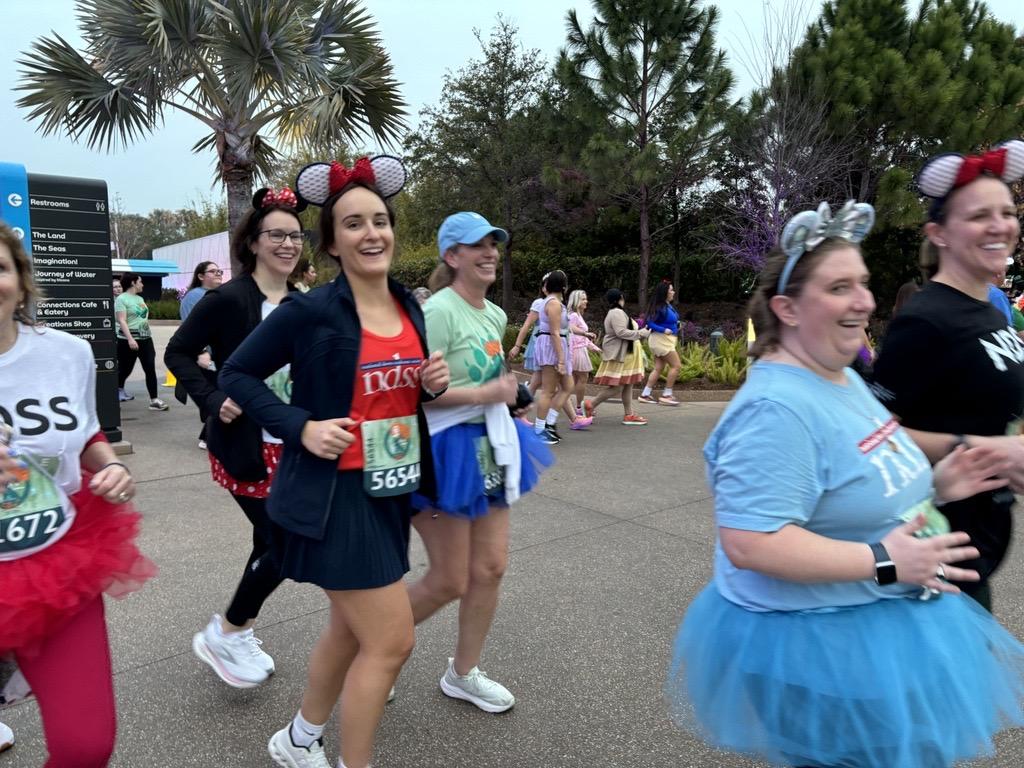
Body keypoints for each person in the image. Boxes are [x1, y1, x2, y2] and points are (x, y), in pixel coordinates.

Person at [666, 200, 1024, 768]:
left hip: (884, 632)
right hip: (820, 650)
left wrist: (938, 485)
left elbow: (861, 475)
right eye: (839, 288)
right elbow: (752, 541)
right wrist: (886, 560)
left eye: (863, 283)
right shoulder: (775, 410)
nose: (864, 301)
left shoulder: (840, 374)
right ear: (786, 307)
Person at [220, 156, 450, 768]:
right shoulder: (311, 309)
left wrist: (427, 385)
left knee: (350, 631)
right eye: (353, 224)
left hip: (391, 487)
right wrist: (300, 427)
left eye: (380, 220)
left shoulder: (410, 306)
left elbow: (395, 391)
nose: (371, 233)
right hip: (334, 498)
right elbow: (237, 373)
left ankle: (297, 740)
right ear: (331, 243)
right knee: (392, 641)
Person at [0, 222, 155, 767]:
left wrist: (110, 466)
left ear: (20, 281)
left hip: (55, 562)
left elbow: (85, 432)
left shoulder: (65, 353)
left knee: (86, 746)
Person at [407, 210, 552, 716]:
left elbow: (497, 371)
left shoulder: (492, 312)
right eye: (478, 245)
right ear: (452, 257)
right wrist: (487, 392)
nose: (490, 252)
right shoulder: (438, 312)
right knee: (449, 579)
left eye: (494, 243)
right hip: (446, 450)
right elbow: (419, 395)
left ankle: (462, 674)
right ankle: (371, 649)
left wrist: (514, 396)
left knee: (491, 567)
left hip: (491, 441)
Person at [870, 141, 1024, 612]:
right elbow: (869, 434)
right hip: (932, 562)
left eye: (1006, 210)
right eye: (979, 216)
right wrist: (977, 447)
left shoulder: (990, 311)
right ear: (938, 233)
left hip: (980, 549)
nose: (1000, 225)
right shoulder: (926, 319)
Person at [165, 186, 305, 689]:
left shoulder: (300, 302)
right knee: (286, 543)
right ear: (252, 242)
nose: (287, 244)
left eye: (295, 236)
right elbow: (178, 354)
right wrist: (211, 397)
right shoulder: (227, 299)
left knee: (268, 539)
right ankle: (226, 630)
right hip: (245, 443)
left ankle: (238, 628)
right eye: (276, 235)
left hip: (291, 441)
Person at [584, 289, 651, 425]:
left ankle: (629, 414)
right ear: (619, 298)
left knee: (627, 385)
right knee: (619, 386)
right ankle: (592, 404)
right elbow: (621, 332)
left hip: (626, 353)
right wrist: (641, 333)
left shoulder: (616, 313)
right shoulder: (616, 313)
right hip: (622, 354)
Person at [530, 270, 578, 444]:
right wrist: (561, 360)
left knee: (567, 385)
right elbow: (555, 333)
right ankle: (540, 429)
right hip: (552, 346)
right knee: (549, 390)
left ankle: (548, 424)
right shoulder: (554, 304)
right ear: (563, 286)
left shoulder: (551, 302)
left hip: (554, 344)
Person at [115, 272, 169, 410]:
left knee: (150, 368)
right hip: (128, 340)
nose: (142, 284)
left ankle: (154, 400)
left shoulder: (139, 298)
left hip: (146, 338)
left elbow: (141, 318)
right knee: (125, 369)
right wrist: (130, 339)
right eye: (140, 281)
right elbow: (121, 320)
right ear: (133, 283)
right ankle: (116, 390)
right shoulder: (121, 299)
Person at [638, 280, 682, 406]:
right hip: (661, 340)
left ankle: (645, 394)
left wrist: (676, 325)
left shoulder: (667, 306)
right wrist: (664, 329)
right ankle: (666, 395)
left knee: (658, 368)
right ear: (665, 292)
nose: (673, 292)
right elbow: (649, 322)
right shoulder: (660, 306)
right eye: (671, 290)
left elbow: (669, 320)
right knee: (676, 366)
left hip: (664, 340)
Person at [566, 289, 600, 415]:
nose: (586, 301)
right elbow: (572, 331)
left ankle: (567, 403)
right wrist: (586, 334)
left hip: (578, 349)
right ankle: (579, 408)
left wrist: (593, 347)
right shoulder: (574, 315)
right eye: (583, 299)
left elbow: (580, 337)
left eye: (586, 298)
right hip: (577, 351)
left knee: (575, 379)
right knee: (582, 378)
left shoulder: (577, 315)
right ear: (576, 301)